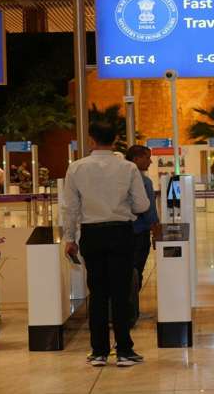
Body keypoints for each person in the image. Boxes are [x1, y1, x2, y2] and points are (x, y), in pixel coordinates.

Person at [60, 120, 150, 368]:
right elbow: (143, 206)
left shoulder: (76, 168)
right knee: (121, 293)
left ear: (91, 140)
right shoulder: (128, 168)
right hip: (121, 232)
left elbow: (70, 208)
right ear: (115, 139)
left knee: (97, 293)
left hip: (92, 234)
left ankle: (98, 351)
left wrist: (70, 239)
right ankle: (124, 351)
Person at [125, 145, 160, 327]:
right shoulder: (144, 181)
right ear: (137, 159)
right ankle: (131, 311)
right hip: (139, 233)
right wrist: (157, 232)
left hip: (122, 232)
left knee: (125, 272)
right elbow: (149, 210)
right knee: (136, 271)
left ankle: (126, 310)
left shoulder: (121, 177)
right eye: (147, 157)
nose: (150, 161)